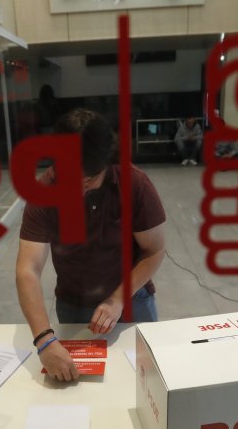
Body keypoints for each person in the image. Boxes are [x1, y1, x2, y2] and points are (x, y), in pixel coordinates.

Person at [15, 109, 166, 382]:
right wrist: (44, 340)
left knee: (144, 381)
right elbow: (28, 269)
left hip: (132, 298)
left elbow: (154, 251)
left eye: (88, 181)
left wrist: (117, 300)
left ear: (106, 164)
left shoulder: (133, 183)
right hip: (74, 301)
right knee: (80, 388)